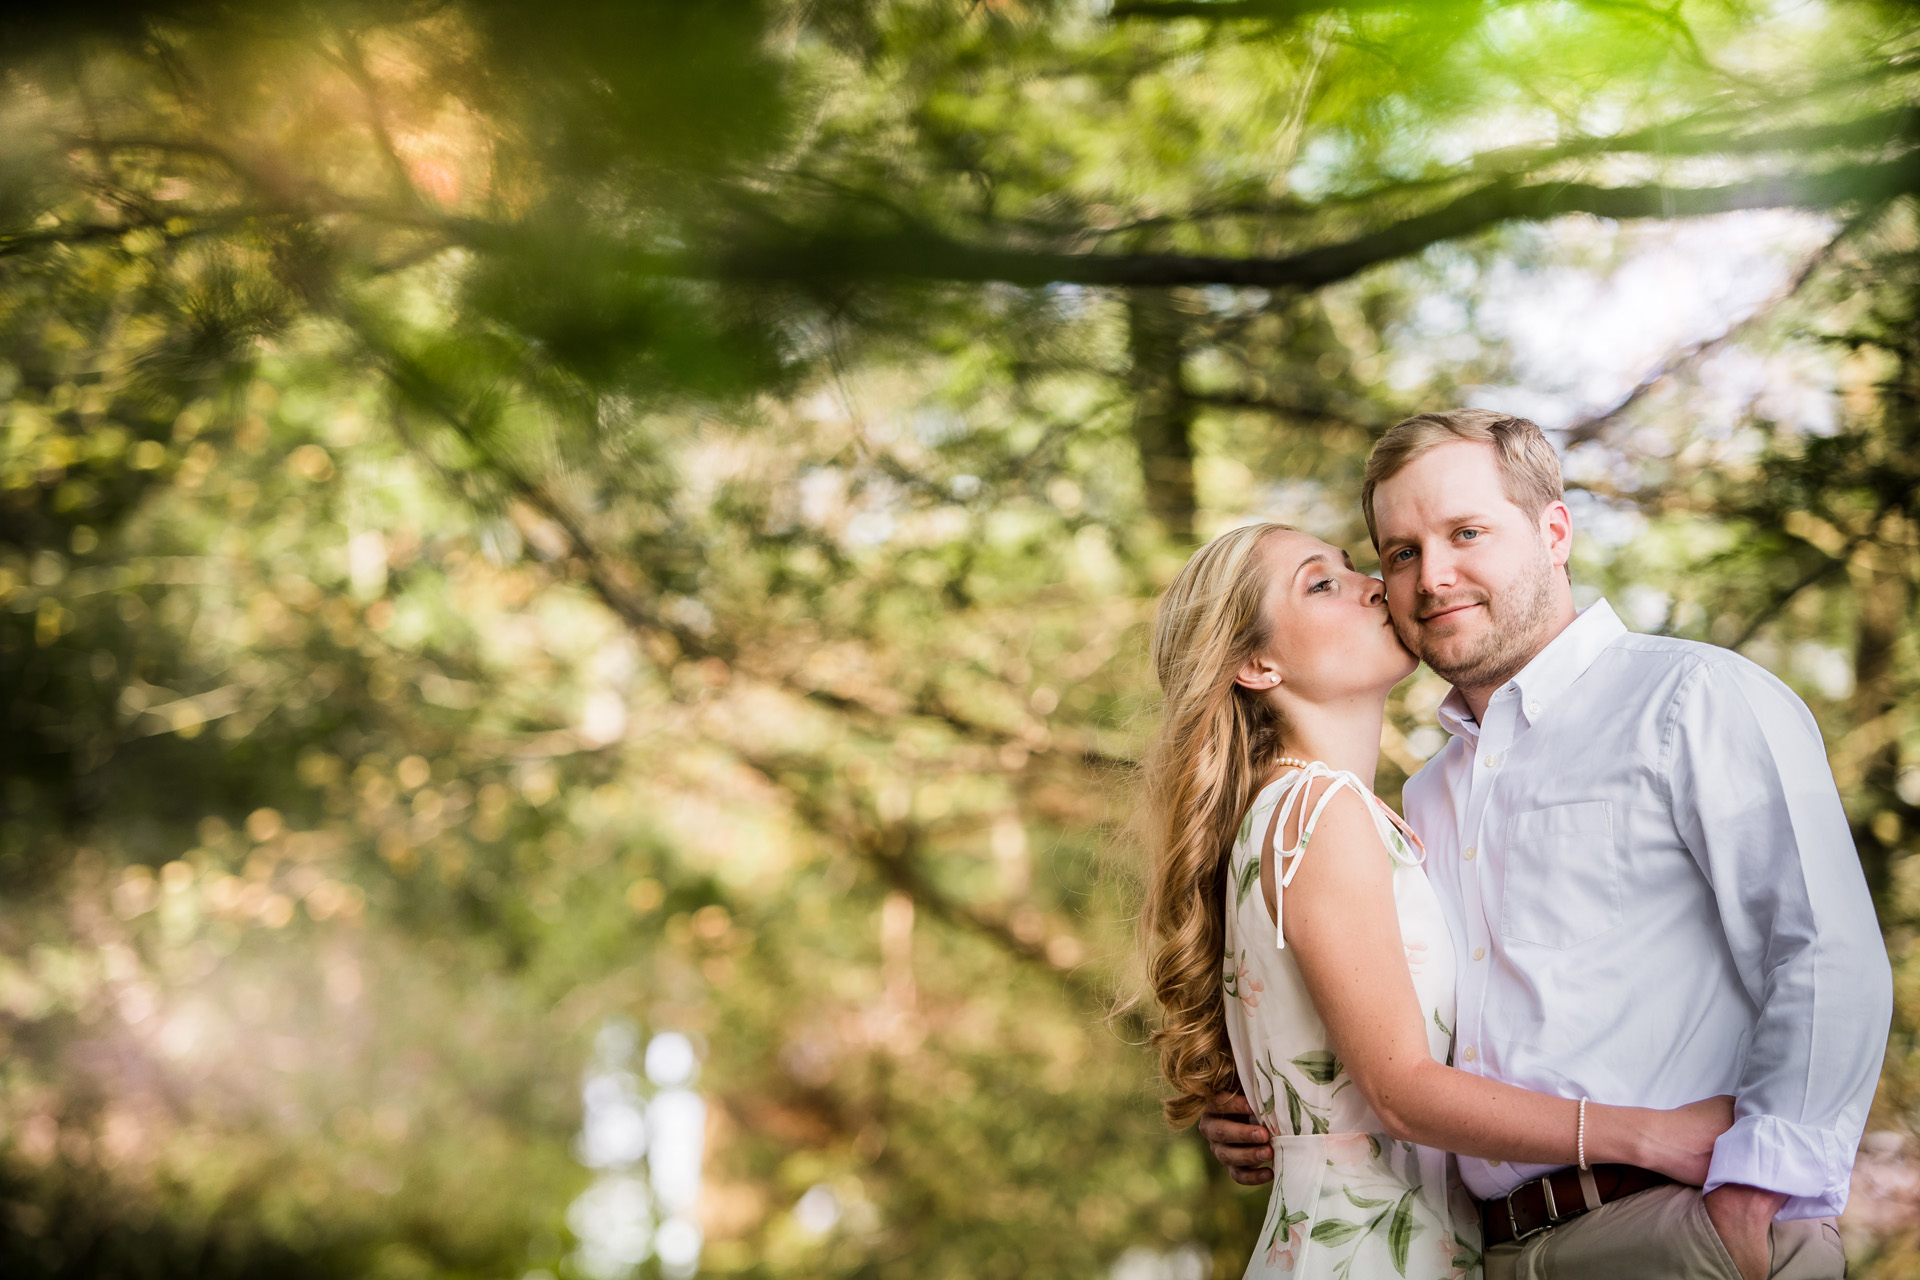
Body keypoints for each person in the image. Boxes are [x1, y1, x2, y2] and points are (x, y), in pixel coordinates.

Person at [1198, 410, 1893, 1280]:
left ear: (1554, 532)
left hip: (1676, 1229)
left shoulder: (1693, 700)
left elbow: (1824, 954)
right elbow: (1414, 1042)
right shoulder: (1424, 798)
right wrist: (1293, 1108)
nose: (1430, 576)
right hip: (1482, 1250)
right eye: (1402, 551)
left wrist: (1759, 1192)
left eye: (1467, 533)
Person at [1141, 519, 1735, 1280]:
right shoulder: (1319, 814)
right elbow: (1400, 1091)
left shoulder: (1313, 813)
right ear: (1256, 665)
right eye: (1320, 584)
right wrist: (1648, 1136)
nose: (1374, 587)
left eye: (1356, 566)